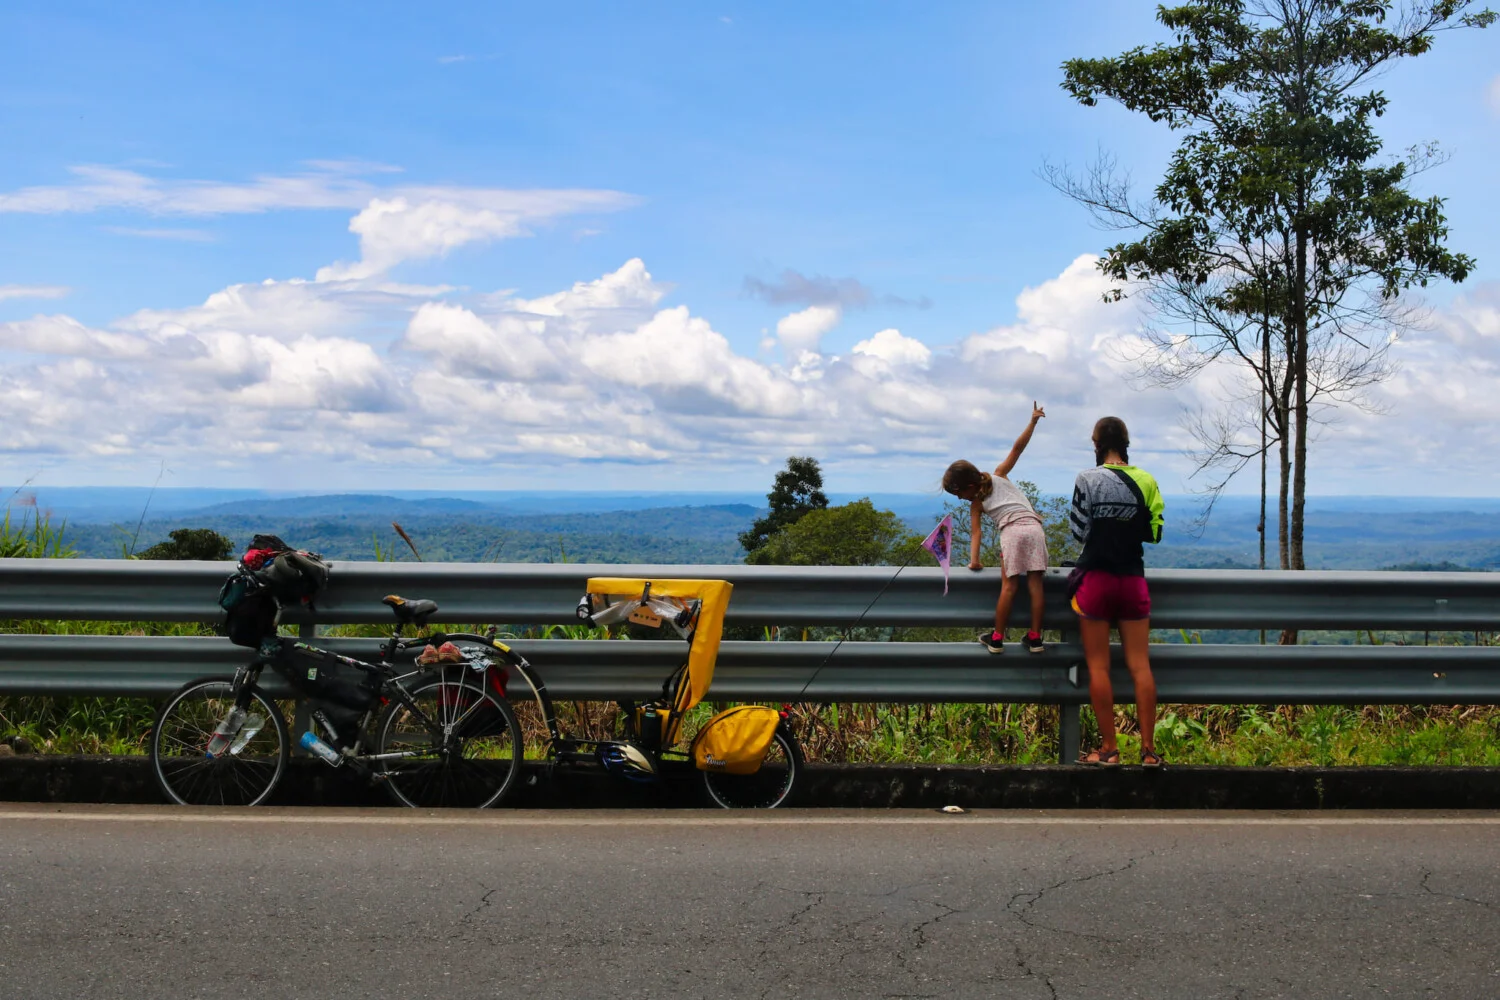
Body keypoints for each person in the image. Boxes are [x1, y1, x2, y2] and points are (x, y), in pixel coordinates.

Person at [1069, 416, 1166, 767]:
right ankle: (1149, 751)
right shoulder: (1147, 480)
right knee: (1141, 666)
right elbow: (1154, 533)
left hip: (1096, 580)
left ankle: (1109, 749)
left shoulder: (1087, 479)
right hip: (1132, 579)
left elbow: (1079, 531)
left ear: (1096, 443)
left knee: (1099, 668)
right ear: (1125, 442)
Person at [941, 402, 1050, 655]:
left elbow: (976, 533)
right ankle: (1035, 638)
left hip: (1012, 532)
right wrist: (1033, 421)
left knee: (1009, 587)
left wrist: (974, 561)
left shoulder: (977, 503)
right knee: (1036, 586)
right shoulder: (1000, 474)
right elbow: (1017, 448)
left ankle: (997, 638)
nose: (959, 498)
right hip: (1034, 528)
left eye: (957, 493)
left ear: (968, 486)